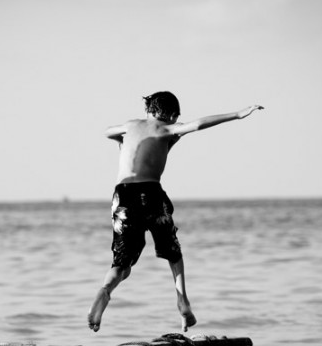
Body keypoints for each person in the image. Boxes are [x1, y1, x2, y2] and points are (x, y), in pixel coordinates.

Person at [87, 91, 264, 333]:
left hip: (122, 196)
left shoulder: (130, 126)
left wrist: (123, 139)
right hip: (150, 192)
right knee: (173, 253)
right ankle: (182, 302)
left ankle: (104, 291)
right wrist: (238, 114)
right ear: (170, 114)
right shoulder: (168, 128)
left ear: (147, 111)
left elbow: (108, 131)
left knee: (122, 263)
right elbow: (199, 124)